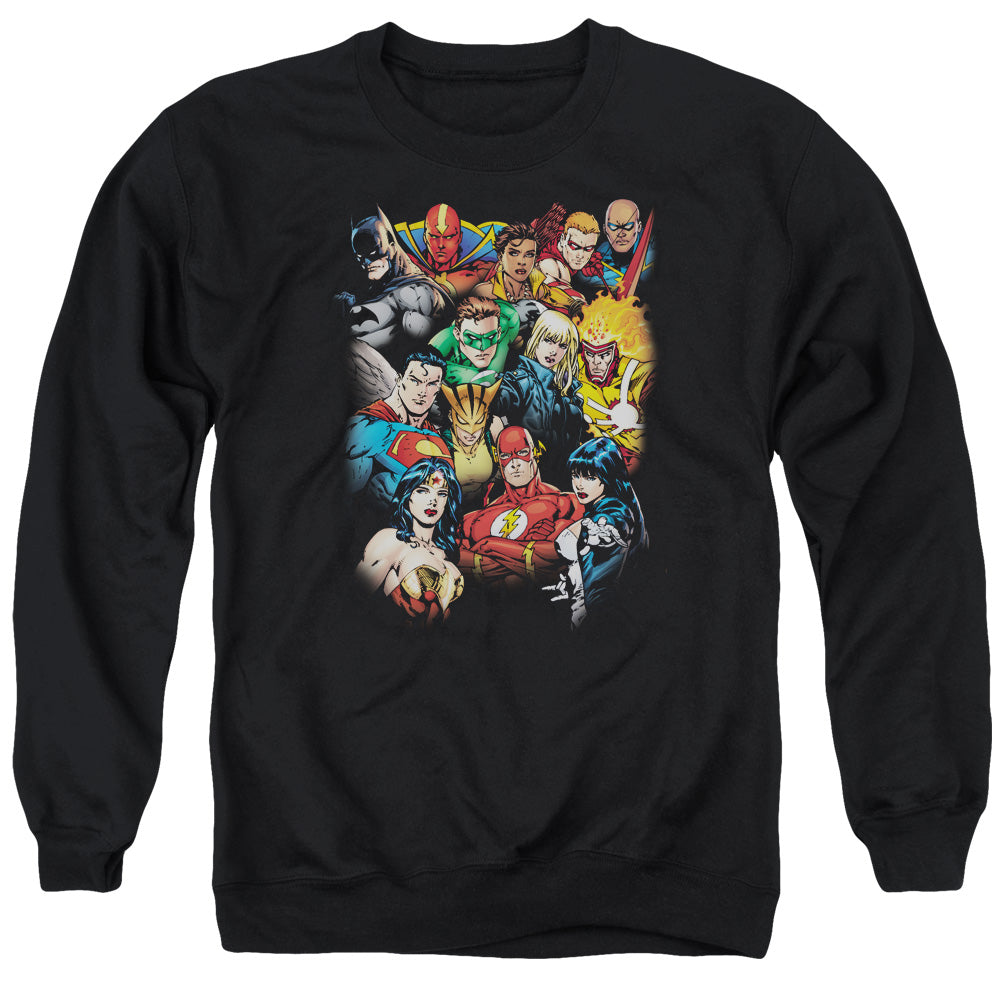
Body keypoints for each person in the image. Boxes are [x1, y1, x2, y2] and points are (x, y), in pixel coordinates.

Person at [545, 436, 648, 629]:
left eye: (590, 477)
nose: (579, 484)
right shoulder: (598, 509)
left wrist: (600, 531)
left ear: (608, 476)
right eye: (575, 475)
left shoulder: (615, 512)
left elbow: (613, 525)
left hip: (595, 620)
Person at [460, 425, 582, 588]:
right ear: (498, 459)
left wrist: (490, 546)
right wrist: (531, 552)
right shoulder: (478, 518)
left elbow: (566, 556)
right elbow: (454, 556)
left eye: (522, 453)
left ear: (535, 452)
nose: (514, 463)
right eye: (505, 456)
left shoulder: (566, 503)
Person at [355, 457, 464, 626]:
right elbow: (354, 597)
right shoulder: (392, 539)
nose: (433, 501)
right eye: (423, 491)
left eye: (441, 493)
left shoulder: (444, 552)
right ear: (408, 495)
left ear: (447, 501)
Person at [345, 349, 452, 516]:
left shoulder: (432, 435)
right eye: (415, 381)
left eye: (431, 384)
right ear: (400, 379)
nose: (422, 392)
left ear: (438, 389)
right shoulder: (369, 423)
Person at [492, 309, 585, 486]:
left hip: (562, 484)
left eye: (562, 345)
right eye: (548, 340)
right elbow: (491, 406)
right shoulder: (520, 381)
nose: (554, 351)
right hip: (525, 482)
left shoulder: (570, 395)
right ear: (536, 339)